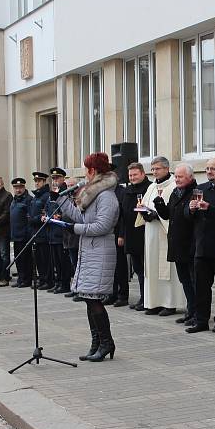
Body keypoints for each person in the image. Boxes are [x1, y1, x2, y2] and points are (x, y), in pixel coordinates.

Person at [56, 152, 119, 362]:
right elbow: (81, 217)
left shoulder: (107, 196)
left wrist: (75, 228)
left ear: (93, 171)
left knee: (94, 300)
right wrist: (63, 201)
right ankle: (96, 342)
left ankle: (107, 342)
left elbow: (102, 226)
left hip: (100, 251)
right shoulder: (92, 194)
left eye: (86, 170)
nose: (84, 174)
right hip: (89, 251)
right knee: (87, 299)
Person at [185, 158, 215, 334]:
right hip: (202, 246)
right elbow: (188, 217)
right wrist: (190, 209)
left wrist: (209, 208)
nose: (209, 171)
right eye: (207, 168)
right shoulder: (201, 189)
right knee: (201, 287)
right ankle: (201, 320)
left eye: (213, 168)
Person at [138, 156, 184, 316]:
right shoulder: (151, 187)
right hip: (150, 234)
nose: (154, 172)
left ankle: (169, 303)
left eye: (157, 169)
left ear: (166, 168)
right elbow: (143, 205)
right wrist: (144, 214)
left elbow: (174, 212)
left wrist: (157, 216)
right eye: (152, 169)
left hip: (165, 234)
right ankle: (153, 303)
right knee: (151, 268)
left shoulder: (173, 186)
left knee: (167, 269)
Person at [154, 163, 197, 323]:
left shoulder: (195, 192)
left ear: (190, 177)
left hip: (190, 245)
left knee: (194, 281)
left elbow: (190, 217)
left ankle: (197, 313)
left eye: (180, 177)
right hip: (177, 245)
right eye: (176, 176)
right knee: (184, 280)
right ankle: (190, 311)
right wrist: (159, 203)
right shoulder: (175, 192)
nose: (177, 180)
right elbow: (167, 215)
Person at [122, 163, 151, 310]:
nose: (132, 178)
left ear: (143, 174)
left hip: (144, 234)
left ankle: (147, 299)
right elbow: (122, 214)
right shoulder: (127, 190)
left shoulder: (149, 188)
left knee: (147, 270)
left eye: (135, 175)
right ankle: (142, 297)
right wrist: (122, 235)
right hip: (130, 235)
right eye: (130, 175)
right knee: (138, 269)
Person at [46, 167, 71, 294]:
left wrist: (60, 216)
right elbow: (47, 207)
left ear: (63, 179)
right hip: (52, 232)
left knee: (63, 261)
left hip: (62, 233)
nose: (55, 181)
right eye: (53, 179)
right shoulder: (52, 192)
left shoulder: (65, 192)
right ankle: (58, 282)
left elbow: (69, 209)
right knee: (56, 261)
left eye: (57, 178)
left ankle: (65, 283)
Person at [28, 172, 52, 290]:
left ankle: (47, 280)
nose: (37, 183)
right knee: (38, 259)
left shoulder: (46, 195)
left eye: (39, 181)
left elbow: (45, 213)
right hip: (35, 232)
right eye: (35, 181)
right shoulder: (36, 196)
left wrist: (34, 219)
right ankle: (41, 279)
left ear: (44, 182)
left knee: (45, 258)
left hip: (43, 232)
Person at [109, 176, 129, 307]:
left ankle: (123, 295)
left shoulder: (121, 192)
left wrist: (121, 234)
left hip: (117, 233)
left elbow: (123, 216)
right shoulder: (104, 192)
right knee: (110, 267)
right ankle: (112, 293)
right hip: (107, 233)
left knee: (120, 266)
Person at [9, 177, 33, 288]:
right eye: (16, 188)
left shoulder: (28, 200)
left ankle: (27, 279)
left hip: (25, 235)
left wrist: (28, 234)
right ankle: (21, 278)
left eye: (20, 187)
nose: (18, 190)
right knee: (18, 259)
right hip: (16, 234)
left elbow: (29, 219)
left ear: (24, 187)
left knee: (26, 259)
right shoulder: (14, 200)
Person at [62, 177, 81, 298]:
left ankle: (80, 289)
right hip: (68, 236)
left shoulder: (81, 197)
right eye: (68, 186)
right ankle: (75, 288)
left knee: (79, 264)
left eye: (72, 185)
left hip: (78, 236)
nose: (69, 188)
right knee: (73, 264)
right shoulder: (67, 198)